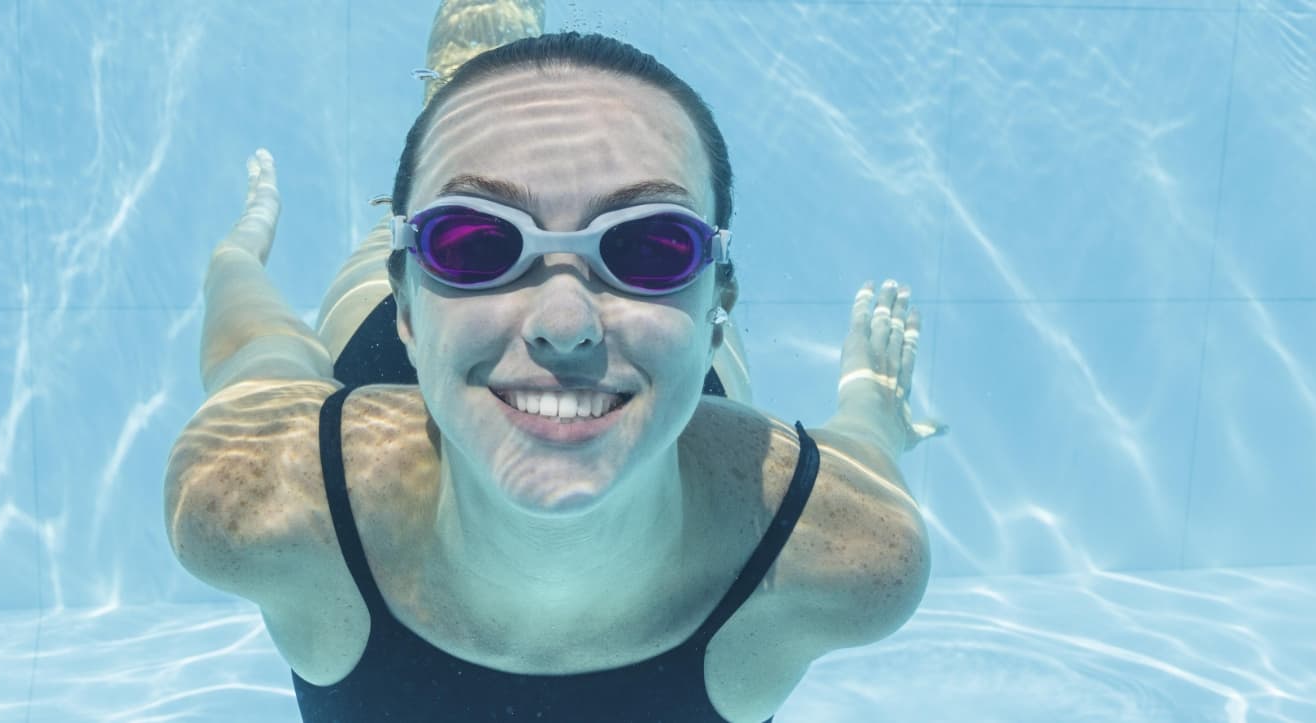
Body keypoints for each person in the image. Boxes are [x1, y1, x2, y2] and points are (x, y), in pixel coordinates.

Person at [167, 2, 945, 720]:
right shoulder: (266, 496)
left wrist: (874, 402)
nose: (564, 324)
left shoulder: (842, 549)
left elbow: (862, 447)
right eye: (473, 239)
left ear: (719, 312)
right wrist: (238, 253)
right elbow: (255, 341)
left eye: (648, 245)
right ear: (404, 307)